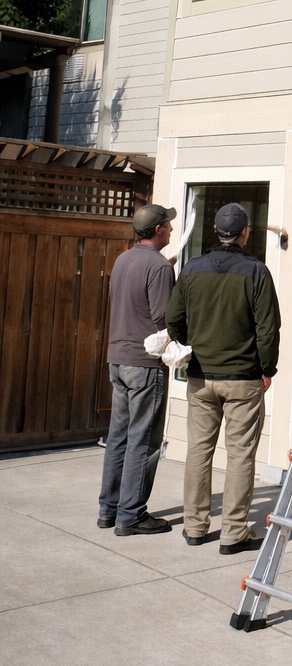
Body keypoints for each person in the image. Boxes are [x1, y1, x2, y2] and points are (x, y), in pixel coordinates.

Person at [165, 201, 281, 554]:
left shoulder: (192, 269)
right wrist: (267, 368)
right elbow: (268, 328)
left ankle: (195, 526)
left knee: (199, 451)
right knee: (240, 455)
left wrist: (191, 345)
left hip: (200, 375)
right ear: (244, 233)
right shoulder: (257, 271)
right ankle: (233, 531)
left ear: (216, 231)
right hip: (243, 378)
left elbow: (173, 321)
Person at [97, 201, 176, 536]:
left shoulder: (123, 259)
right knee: (143, 440)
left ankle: (108, 510)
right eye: (168, 225)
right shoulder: (158, 267)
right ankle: (131, 515)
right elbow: (162, 318)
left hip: (117, 359)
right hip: (144, 364)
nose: (172, 228)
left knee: (118, 437)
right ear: (157, 230)